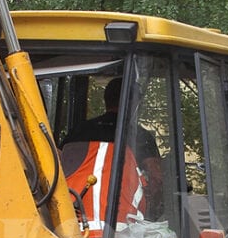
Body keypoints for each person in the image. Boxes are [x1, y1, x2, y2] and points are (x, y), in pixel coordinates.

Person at [67, 77, 163, 215]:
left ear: (106, 99)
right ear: (133, 103)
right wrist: (151, 212)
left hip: (76, 218)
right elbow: (156, 178)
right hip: (123, 222)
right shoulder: (139, 137)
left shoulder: (78, 132)